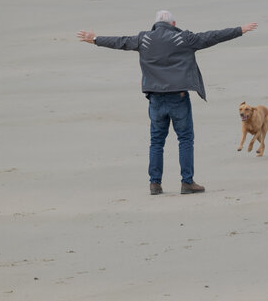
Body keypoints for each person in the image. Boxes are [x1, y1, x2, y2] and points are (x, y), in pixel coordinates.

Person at [77, 11, 257, 195]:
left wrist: (96, 38)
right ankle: (187, 182)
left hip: (155, 99)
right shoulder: (184, 38)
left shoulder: (143, 39)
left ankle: (155, 184)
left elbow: (120, 42)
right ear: (173, 23)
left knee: (156, 141)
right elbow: (212, 36)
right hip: (178, 98)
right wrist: (240, 30)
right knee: (185, 139)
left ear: (155, 24)